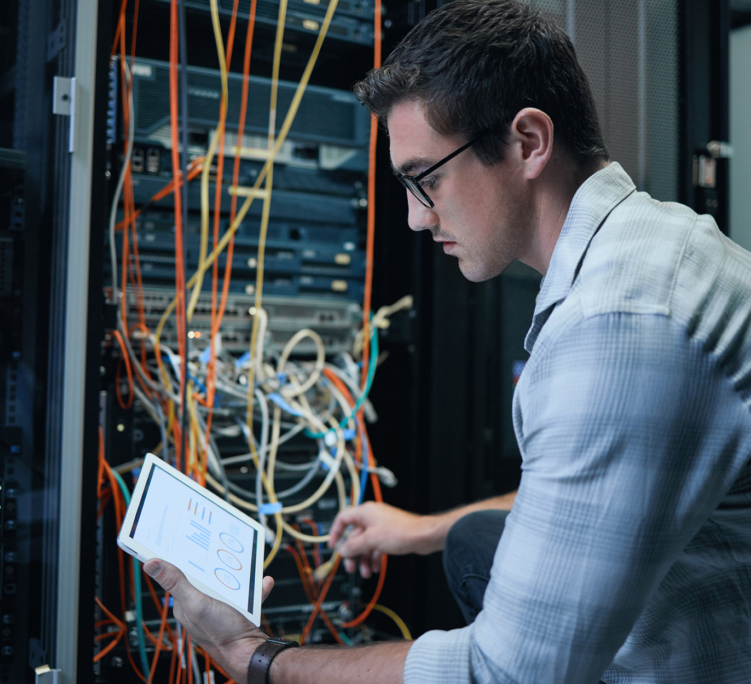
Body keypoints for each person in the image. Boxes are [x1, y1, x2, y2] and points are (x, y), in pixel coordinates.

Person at [144, 0, 751, 681]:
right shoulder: (650, 246)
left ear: (528, 142)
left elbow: (505, 674)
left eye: (425, 179)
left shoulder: (619, 322)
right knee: (470, 541)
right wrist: (420, 528)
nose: (412, 217)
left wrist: (255, 655)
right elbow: (588, 493)